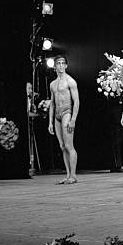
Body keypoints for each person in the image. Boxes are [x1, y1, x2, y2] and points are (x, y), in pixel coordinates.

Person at [48, 55, 80, 185]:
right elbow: (52, 103)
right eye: (58, 63)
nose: (61, 66)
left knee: (69, 145)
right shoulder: (52, 84)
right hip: (57, 115)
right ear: (55, 66)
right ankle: (67, 175)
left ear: (66, 66)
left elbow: (77, 101)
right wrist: (50, 122)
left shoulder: (70, 81)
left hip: (67, 111)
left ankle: (73, 175)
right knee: (62, 146)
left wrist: (73, 119)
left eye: (63, 63)